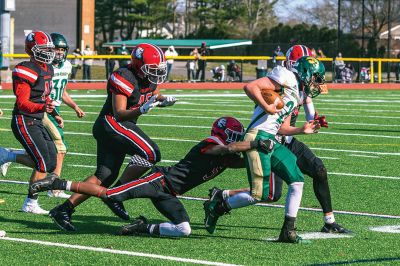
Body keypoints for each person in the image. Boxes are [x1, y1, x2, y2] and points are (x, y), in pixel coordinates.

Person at [31, 117, 276, 238]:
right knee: (110, 194)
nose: (237, 139)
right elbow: (227, 149)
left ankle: (143, 227)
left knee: (184, 230)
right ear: (223, 134)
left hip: (169, 193)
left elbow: (243, 161)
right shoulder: (212, 144)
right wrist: (254, 143)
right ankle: (57, 183)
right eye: (234, 135)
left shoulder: (227, 155)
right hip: (158, 181)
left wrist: (270, 157)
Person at [205, 45, 350, 236]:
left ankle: (291, 230)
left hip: (279, 139)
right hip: (261, 138)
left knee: (300, 179)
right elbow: (251, 87)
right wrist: (267, 106)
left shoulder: (299, 92)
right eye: (315, 79)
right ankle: (220, 203)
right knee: (265, 194)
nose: (317, 84)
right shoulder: (286, 76)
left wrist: (305, 127)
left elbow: (285, 125)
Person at [44, 43, 177, 231]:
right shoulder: (124, 76)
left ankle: (63, 209)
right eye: (153, 69)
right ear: (139, 65)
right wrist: (142, 109)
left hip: (121, 127)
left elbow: (154, 94)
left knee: (104, 177)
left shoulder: (149, 78)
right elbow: (120, 113)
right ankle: (117, 194)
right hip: (111, 124)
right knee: (151, 153)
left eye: (159, 69)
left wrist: (163, 101)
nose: (157, 73)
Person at [0, 31, 64, 214]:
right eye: (43, 49)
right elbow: (22, 103)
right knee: (43, 162)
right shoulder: (25, 69)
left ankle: (7, 156)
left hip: (36, 120)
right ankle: (30, 203)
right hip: (23, 120)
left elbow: (45, 96)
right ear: (32, 50)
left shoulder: (48, 68)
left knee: (51, 162)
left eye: (49, 49)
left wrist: (55, 113)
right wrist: (43, 107)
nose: (49, 53)